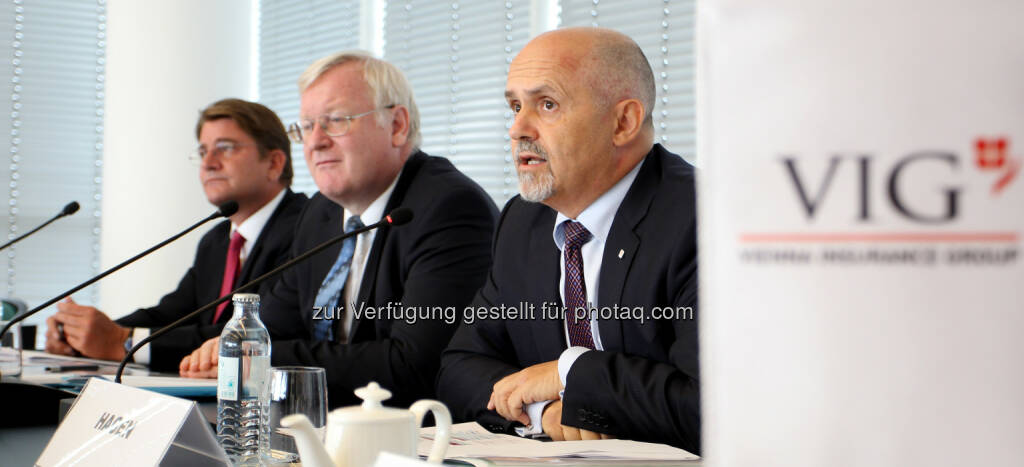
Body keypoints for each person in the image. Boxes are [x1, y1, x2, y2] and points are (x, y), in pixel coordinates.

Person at [180, 52, 498, 408]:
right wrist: (238, 347)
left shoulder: (448, 208)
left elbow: (413, 364)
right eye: (306, 126)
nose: (315, 141)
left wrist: (263, 356)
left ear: (396, 126)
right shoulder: (321, 213)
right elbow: (273, 326)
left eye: (335, 121)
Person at [436, 27, 700, 453]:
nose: (517, 128)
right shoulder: (523, 221)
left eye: (547, 104)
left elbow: (709, 405)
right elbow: (460, 367)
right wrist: (547, 410)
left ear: (623, 122)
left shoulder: (701, 217)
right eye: (515, 106)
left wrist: (570, 372)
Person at [44, 98, 308, 371]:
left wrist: (122, 342)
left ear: (274, 163)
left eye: (225, 148)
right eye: (203, 151)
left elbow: (252, 334)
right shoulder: (216, 240)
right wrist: (85, 335)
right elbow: (171, 315)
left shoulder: (307, 230)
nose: (208, 163)